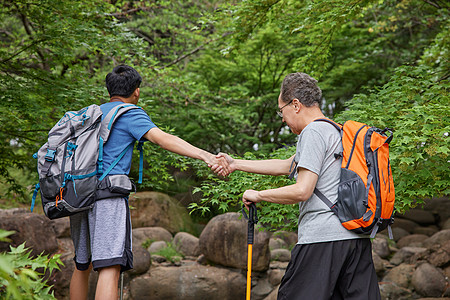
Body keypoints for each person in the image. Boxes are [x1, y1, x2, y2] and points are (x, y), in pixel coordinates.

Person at [69, 65, 229, 300]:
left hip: (78, 194)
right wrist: (205, 155)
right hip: (107, 197)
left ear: (109, 90)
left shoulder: (91, 114)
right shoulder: (129, 113)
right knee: (109, 266)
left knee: (82, 265)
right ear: (137, 92)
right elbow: (163, 139)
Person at [215, 73, 380, 299]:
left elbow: (303, 190)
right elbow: (287, 165)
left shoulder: (312, 132)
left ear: (295, 104)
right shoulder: (336, 131)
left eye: (281, 110)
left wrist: (259, 195)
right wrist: (235, 164)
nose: (282, 118)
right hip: (356, 239)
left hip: (323, 240)